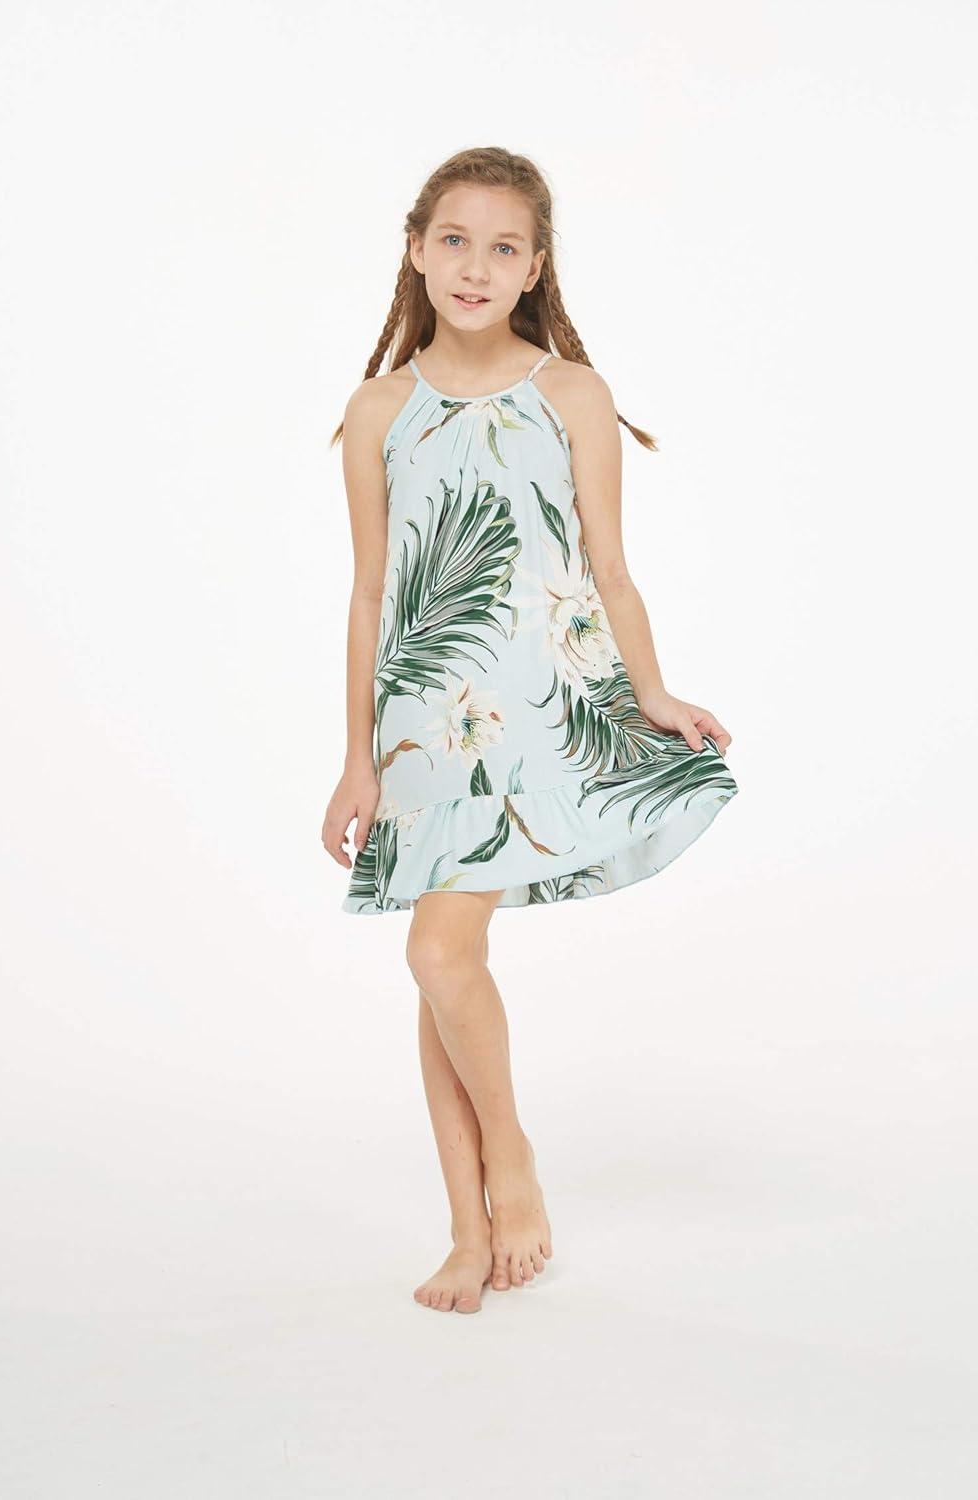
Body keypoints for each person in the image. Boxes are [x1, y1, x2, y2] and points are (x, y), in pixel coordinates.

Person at [321, 146, 739, 1314]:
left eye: (503, 246)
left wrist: (652, 693)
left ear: (534, 267)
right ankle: (471, 1227)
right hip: (425, 726)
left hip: (542, 713)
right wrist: (355, 758)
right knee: (440, 968)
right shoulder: (378, 410)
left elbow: (611, 566)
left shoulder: (570, 395)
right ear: (415, 248)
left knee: (437, 955)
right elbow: (369, 593)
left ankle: (509, 1165)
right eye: (454, 239)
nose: (475, 265)